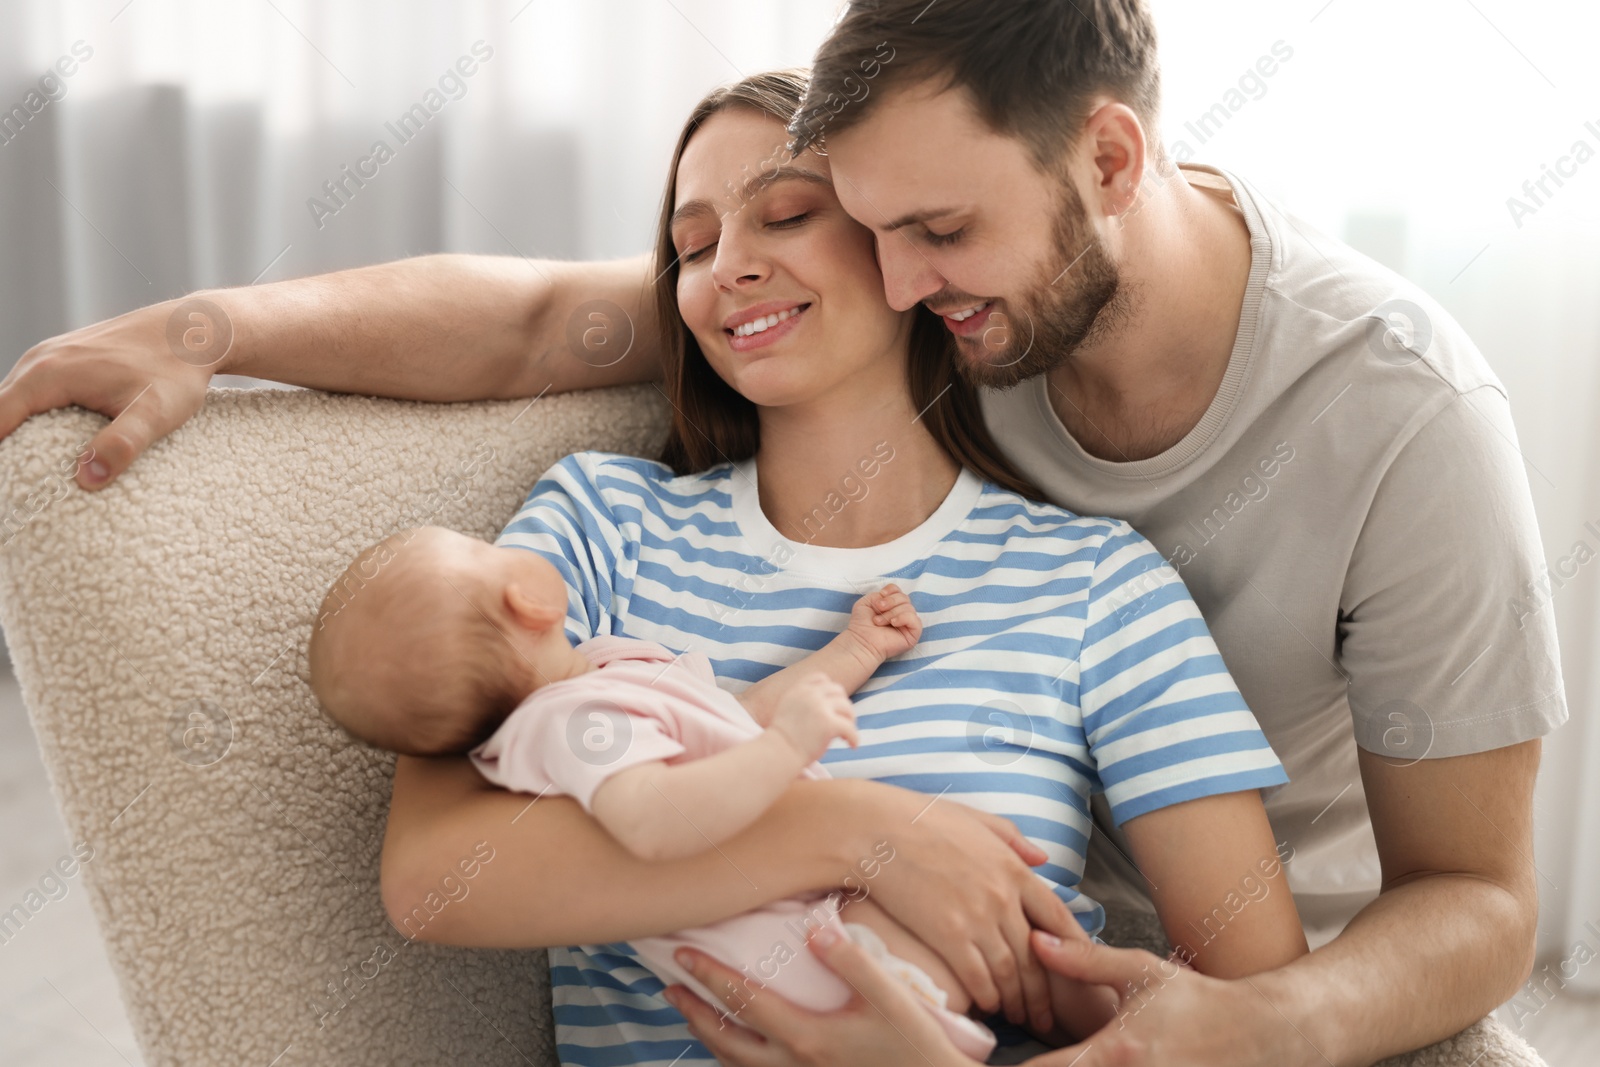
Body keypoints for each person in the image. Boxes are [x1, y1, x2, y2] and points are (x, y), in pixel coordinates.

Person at [0, 2, 1562, 1064]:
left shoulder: (1124, 558)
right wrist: (213, 325)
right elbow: (443, 878)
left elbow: (1304, 962)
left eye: (825, 220)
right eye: (691, 240)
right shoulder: (597, 530)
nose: (736, 263)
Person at [307, 524, 1003, 1058]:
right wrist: (791, 748)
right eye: (483, 546)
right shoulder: (567, 727)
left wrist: (854, 652)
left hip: (830, 929)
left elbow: (732, 722)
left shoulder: (596, 682)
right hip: (819, 965)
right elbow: (654, 822)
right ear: (529, 597)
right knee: (1012, 960)